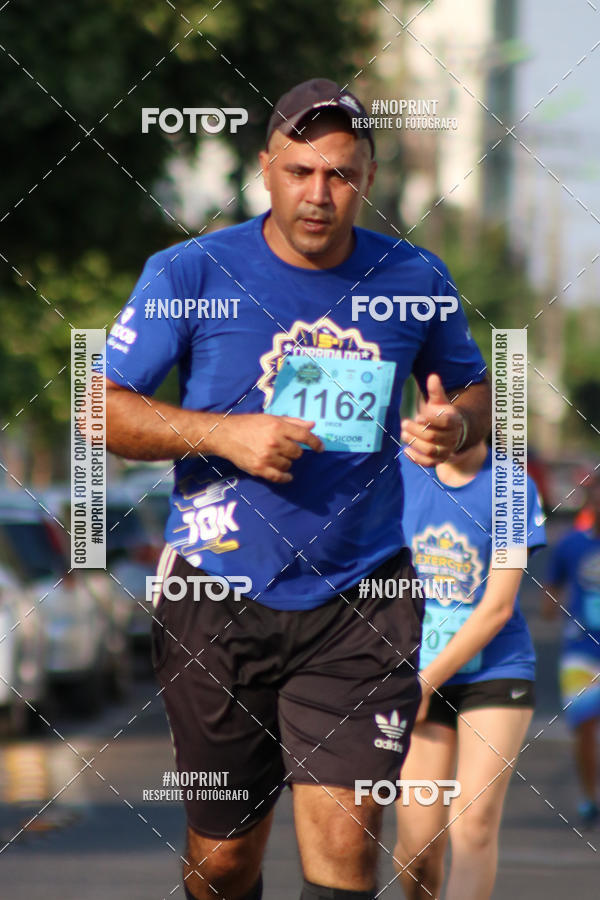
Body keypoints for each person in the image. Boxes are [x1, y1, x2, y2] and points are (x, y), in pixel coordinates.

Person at [103, 77, 490, 900]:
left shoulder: (415, 275)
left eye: (341, 175)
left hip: (364, 594)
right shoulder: (192, 271)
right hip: (217, 591)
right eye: (301, 172)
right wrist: (222, 434)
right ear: (266, 169)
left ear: (369, 180)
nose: (320, 194)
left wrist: (455, 426)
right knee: (223, 859)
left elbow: (478, 391)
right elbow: (95, 409)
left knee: (348, 852)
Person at [394, 435, 545, 899]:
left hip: (495, 671)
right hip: (415, 669)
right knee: (419, 846)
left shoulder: (512, 488)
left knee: (473, 823)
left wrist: (424, 684)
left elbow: (498, 607)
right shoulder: (399, 470)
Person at [546, 474, 600, 825]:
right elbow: (549, 596)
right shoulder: (570, 546)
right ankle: (589, 797)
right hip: (581, 650)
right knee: (584, 725)